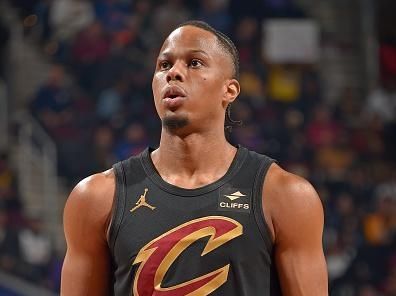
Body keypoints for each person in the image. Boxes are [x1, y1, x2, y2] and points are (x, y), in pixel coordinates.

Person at [61, 20, 328, 295]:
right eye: (164, 65)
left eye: (194, 63)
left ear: (230, 90)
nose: (173, 73)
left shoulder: (286, 196)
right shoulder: (96, 198)